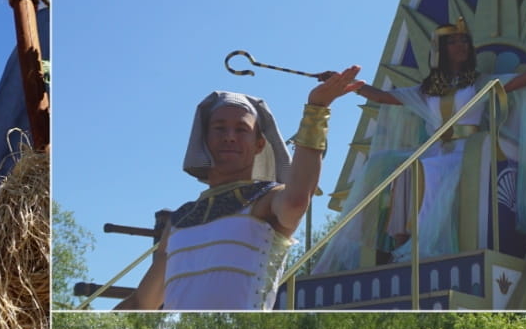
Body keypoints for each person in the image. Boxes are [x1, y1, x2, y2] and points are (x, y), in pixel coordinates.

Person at [315, 19, 526, 271]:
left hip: (469, 151)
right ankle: (399, 241)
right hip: (437, 149)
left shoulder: (479, 82)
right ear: (441, 50)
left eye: (464, 41)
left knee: (428, 169)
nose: (461, 46)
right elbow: (384, 97)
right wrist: (346, 85)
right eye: (454, 42)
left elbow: (522, 80)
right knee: (390, 166)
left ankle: (421, 246)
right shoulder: (428, 90)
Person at [115, 67, 364, 310]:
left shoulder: (266, 199)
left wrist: (317, 110)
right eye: (220, 128)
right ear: (205, 139)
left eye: (241, 129)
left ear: (259, 145)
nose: (230, 136)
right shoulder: (179, 221)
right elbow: (142, 303)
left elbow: (296, 201)